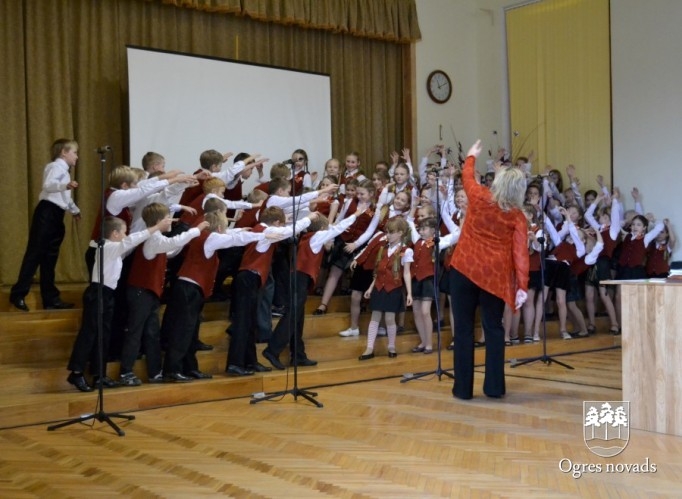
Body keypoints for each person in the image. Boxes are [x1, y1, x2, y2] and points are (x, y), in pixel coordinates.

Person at [448, 140, 529, 400]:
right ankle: (494, 388)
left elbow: (467, 176)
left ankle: (462, 390)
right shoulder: (517, 216)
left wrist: (471, 156)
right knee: (493, 329)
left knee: (463, 330)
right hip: (493, 277)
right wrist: (523, 286)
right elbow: (520, 253)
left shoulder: (480, 197)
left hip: (464, 269)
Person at [66, 215, 172, 392]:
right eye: (123, 231)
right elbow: (132, 240)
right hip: (97, 293)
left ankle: (99, 375)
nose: (126, 234)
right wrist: (157, 227)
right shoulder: (109, 247)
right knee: (89, 334)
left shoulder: (114, 248)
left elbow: (132, 242)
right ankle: (76, 373)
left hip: (107, 294)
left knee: (104, 335)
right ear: (115, 234)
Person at [118, 203, 208, 386]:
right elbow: (171, 244)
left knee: (152, 333)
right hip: (140, 292)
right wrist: (196, 230)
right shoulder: (153, 239)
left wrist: (186, 237)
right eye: (169, 217)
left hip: (149, 293)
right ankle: (125, 372)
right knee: (135, 333)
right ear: (160, 221)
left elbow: (172, 250)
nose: (172, 220)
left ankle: (154, 371)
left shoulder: (157, 238)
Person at [10, 139, 81, 312]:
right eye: (74, 152)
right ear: (63, 152)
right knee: (35, 253)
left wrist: (74, 210)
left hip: (56, 214)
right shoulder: (55, 167)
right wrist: (65, 185)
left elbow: (64, 197)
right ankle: (18, 294)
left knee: (50, 258)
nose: (77, 157)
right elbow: (48, 186)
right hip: (47, 213)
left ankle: (51, 299)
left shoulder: (64, 171)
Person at [358, 217, 413, 360]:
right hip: (379, 287)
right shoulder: (383, 249)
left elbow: (406, 273)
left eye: (391, 232)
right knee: (374, 317)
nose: (388, 235)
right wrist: (370, 288)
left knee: (389, 318)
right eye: (387, 232)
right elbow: (378, 272)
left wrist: (409, 293)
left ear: (400, 233)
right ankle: (369, 348)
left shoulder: (405, 251)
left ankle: (391, 345)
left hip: (393, 288)